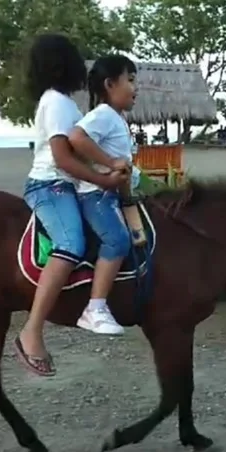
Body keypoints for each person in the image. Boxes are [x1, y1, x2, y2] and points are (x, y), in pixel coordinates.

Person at [16, 34, 129, 376]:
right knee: (70, 244)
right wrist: (105, 179)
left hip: (66, 185)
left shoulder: (64, 103)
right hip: (50, 185)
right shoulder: (56, 103)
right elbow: (64, 159)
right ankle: (32, 331)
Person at [68, 55, 140, 336]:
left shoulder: (117, 119)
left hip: (112, 194)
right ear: (110, 84)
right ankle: (95, 307)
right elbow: (76, 138)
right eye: (131, 80)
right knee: (118, 240)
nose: (136, 88)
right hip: (96, 196)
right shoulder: (103, 115)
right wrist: (111, 164)